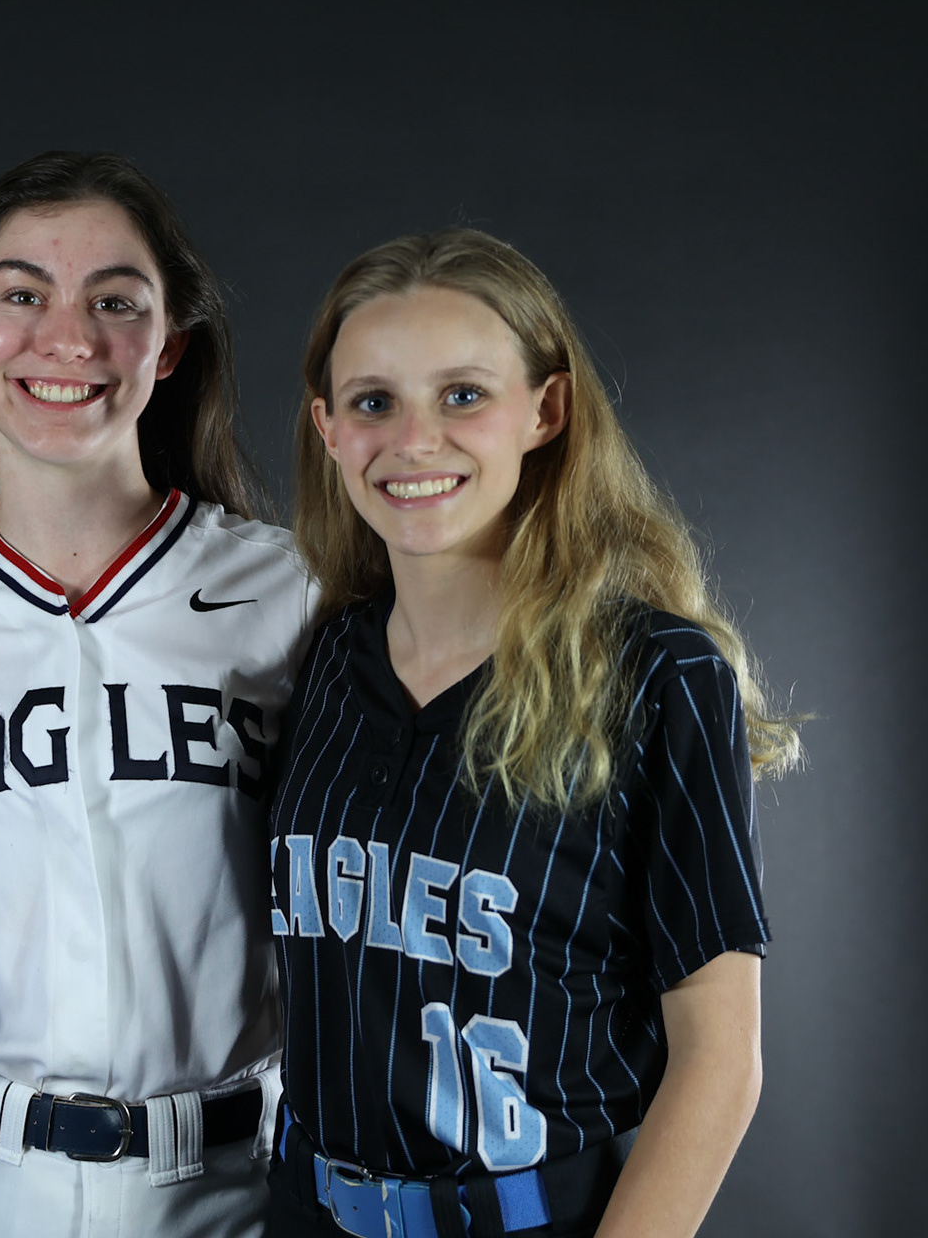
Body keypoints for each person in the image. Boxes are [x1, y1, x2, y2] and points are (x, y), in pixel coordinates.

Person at [266, 228, 801, 1238]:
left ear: (545, 411)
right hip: (307, 1210)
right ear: (328, 427)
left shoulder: (659, 672)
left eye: (463, 394)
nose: (415, 440)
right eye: (374, 401)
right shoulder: (322, 659)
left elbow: (721, 1061)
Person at [0, 152, 315, 1238]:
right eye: (21, 294)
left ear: (169, 342)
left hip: (238, 1175)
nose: (69, 338)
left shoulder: (289, 588)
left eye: (116, 301)